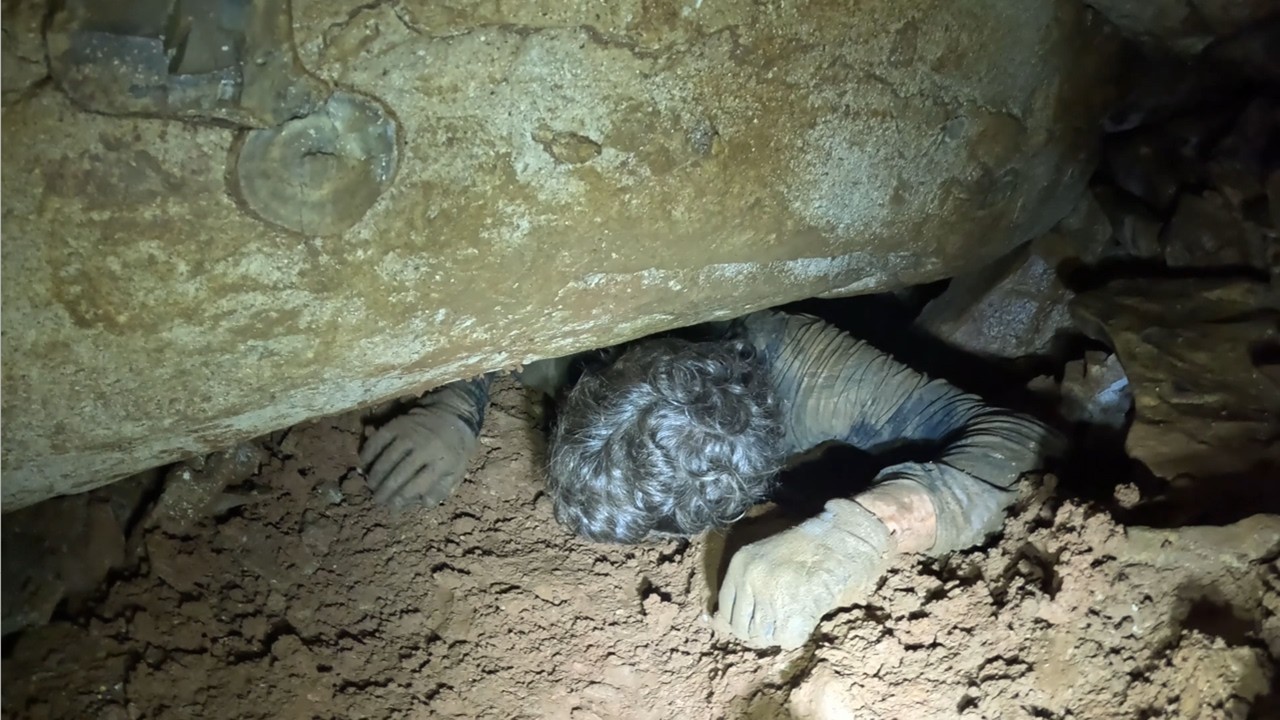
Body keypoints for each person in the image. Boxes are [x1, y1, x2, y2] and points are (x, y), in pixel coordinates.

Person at [360, 309, 1060, 649]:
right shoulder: (595, 324)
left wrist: (868, 528)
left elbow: (1023, 441)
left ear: (743, 491)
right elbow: (503, 287)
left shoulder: (818, 381)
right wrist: (457, 402)